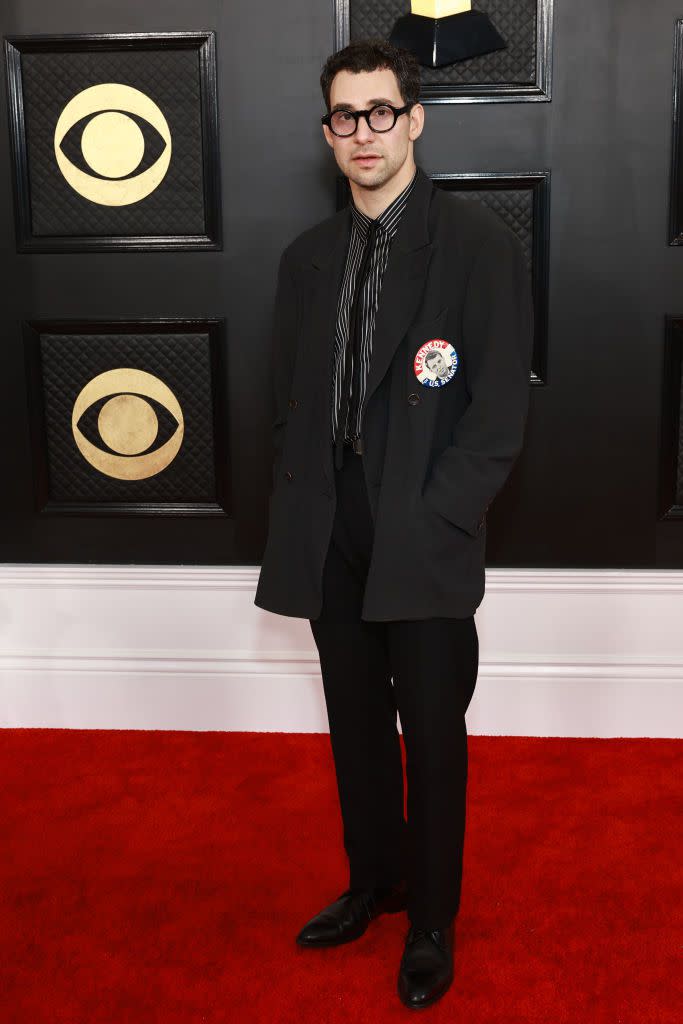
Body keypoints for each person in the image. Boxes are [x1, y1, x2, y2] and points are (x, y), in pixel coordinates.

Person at [254, 38, 534, 1010]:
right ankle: (373, 882)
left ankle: (430, 919)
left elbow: (498, 411)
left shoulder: (478, 248)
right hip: (328, 518)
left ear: (413, 119)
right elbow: (287, 399)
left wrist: (438, 513)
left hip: (420, 522)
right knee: (355, 722)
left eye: (380, 112)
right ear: (326, 131)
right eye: (344, 116)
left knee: (432, 729)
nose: (362, 133)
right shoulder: (305, 260)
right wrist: (300, 508)